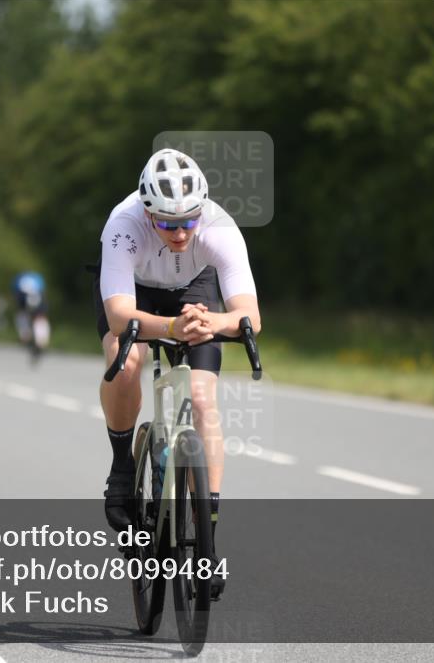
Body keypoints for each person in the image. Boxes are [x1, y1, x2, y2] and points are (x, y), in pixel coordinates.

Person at [94, 148, 261, 597]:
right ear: (148, 213)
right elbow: (118, 316)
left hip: (195, 289)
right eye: (168, 223)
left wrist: (212, 323)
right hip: (138, 296)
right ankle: (122, 467)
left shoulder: (218, 227)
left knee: (203, 401)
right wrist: (171, 327)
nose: (181, 231)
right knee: (125, 361)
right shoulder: (124, 226)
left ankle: (207, 536)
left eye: (189, 220)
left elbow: (249, 314)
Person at [11, 271, 50, 357]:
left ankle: (26, 336)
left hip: (26, 298)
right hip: (37, 297)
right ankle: (41, 341)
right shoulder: (36, 279)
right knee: (40, 317)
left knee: (22, 315)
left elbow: (15, 294)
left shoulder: (19, 281)